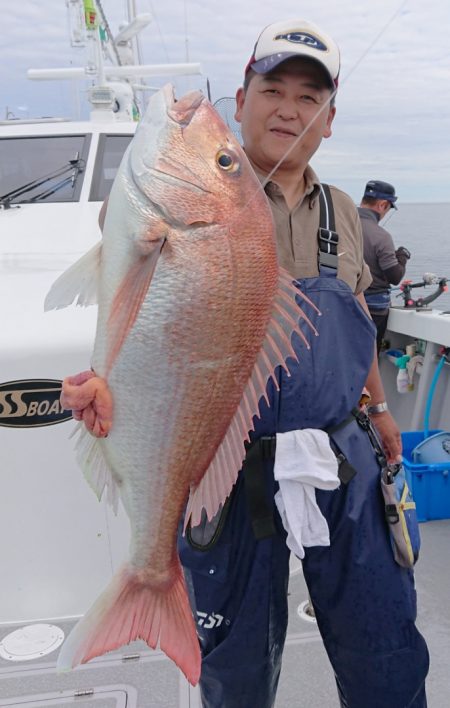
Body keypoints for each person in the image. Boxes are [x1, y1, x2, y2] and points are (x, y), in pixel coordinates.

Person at [60, 18, 429, 708]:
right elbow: (139, 319)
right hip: (223, 467)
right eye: (273, 89)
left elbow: (350, 317)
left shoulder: (344, 213)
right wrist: (103, 382)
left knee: (384, 642)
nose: (290, 109)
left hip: (339, 451)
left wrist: (379, 409)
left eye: (309, 97)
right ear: (240, 98)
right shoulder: (160, 200)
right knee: (235, 668)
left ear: (328, 121)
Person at [358, 180, 411, 352]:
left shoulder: (338, 225)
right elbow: (395, 277)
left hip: (341, 302)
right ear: (382, 204)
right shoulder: (381, 236)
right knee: (368, 358)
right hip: (373, 308)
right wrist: (402, 257)